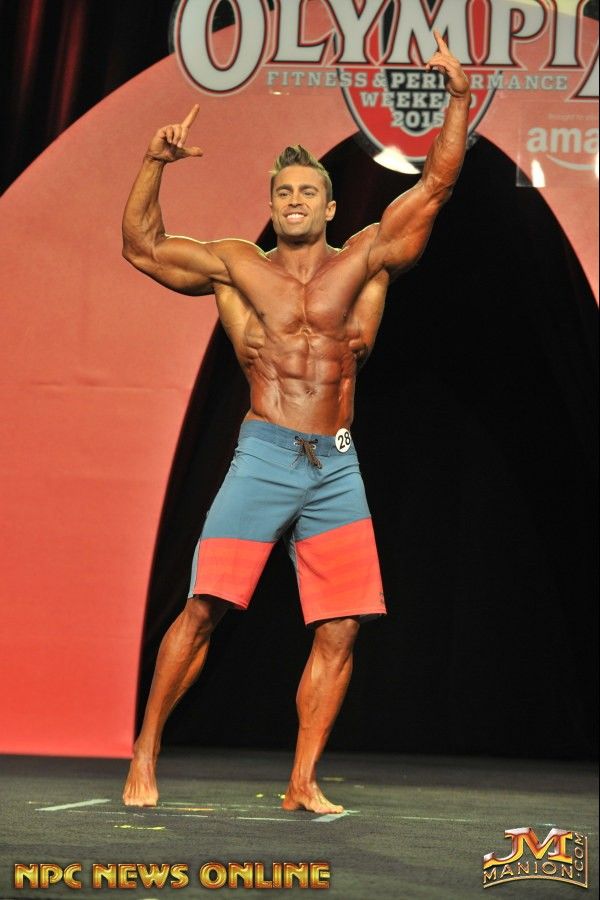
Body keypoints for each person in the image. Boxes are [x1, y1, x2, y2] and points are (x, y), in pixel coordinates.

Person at [121, 31, 470, 813]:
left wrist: (456, 99)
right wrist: (152, 162)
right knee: (205, 607)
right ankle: (145, 749)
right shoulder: (239, 265)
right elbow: (142, 248)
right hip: (265, 454)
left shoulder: (364, 259)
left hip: (335, 464)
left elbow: (438, 185)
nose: (295, 201)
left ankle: (303, 780)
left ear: (330, 205)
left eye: (308, 192)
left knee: (342, 627)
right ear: (272, 203)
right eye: (283, 192)